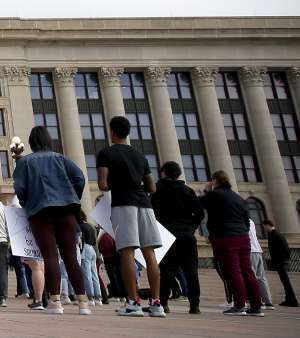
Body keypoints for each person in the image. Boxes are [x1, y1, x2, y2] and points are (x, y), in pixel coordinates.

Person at [12, 125, 90, 315]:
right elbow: (79, 178)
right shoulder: (61, 158)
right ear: (49, 140)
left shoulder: (25, 162)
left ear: (31, 143)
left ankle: (55, 301)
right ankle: (83, 302)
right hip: (66, 211)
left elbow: (20, 188)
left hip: (41, 213)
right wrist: (72, 196)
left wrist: (27, 203)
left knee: (50, 256)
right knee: (71, 257)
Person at [97, 115, 163, 317]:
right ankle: (157, 303)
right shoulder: (140, 156)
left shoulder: (106, 153)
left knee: (127, 251)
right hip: (145, 204)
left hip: (123, 203)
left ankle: (133, 301)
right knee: (150, 253)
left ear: (112, 132)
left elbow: (103, 184)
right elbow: (152, 186)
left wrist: (118, 183)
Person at [201, 170, 262, 315]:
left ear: (214, 181)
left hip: (226, 238)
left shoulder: (216, 195)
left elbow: (200, 203)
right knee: (248, 271)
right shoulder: (238, 198)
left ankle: (239, 304)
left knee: (233, 271)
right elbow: (246, 220)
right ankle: (256, 306)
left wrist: (206, 190)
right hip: (243, 237)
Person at [150, 160, 203, 314]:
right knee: (191, 270)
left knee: (167, 270)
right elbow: (199, 213)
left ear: (163, 172)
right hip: (187, 234)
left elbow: (153, 212)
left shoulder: (158, 189)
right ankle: (194, 305)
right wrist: (191, 227)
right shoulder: (188, 190)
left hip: (168, 234)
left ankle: (164, 303)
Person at [263, 219, 297, 307]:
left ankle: (292, 301)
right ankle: (289, 300)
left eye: (265, 227)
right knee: (285, 282)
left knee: (286, 282)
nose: (264, 229)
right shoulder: (273, 235)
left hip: (281, 262)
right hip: (281, 261)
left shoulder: (276, 235)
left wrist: (282, 260)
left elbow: (286, 249)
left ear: (268, 225)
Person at [248, 221, 273, 309]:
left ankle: (257, 301)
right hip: (258, 250)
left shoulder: (240, 219)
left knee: (252, 277)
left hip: (250, 250)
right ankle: (268, 302)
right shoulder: (251, 221)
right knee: (262, 278)